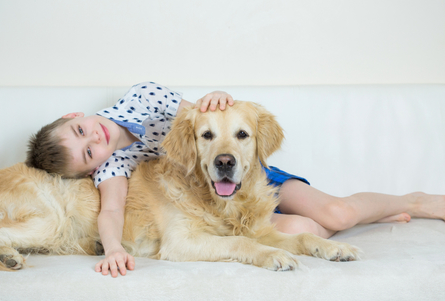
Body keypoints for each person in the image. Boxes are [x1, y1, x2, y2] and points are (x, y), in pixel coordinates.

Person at [26, 81, 445, 278]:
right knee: (304, 229)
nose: (93, 142)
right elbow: (113, 209)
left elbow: (212, 118)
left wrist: (218, 98)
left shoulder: (143, 96)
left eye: (81, 133)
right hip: (205, 188)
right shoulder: (115, 166)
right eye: (87, 156)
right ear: (90, 169)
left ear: (73, 115)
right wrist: (113, 248)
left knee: (336, 212)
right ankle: (357, 225)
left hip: (253, 173)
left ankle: (414, 200)